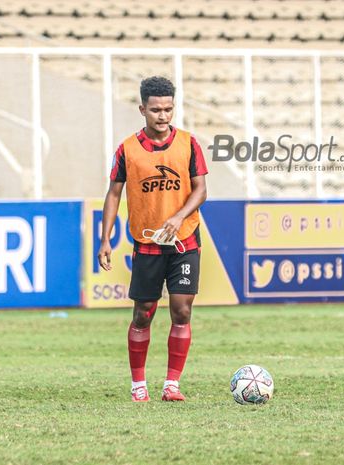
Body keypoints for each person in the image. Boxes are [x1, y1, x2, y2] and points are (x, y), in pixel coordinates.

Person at [98, 76, 208, 402]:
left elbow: (201, 189)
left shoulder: (189, 143)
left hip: (184, 239)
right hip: (147, 242)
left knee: (182, 310)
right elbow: (113, 194)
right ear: (142, 109)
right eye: (156, 110)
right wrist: (105, 239)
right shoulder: (127, 150)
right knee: (143, 312)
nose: (163, 116)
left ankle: (172, 385)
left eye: (169, 109)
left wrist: (178, 216)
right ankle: (138, 386)